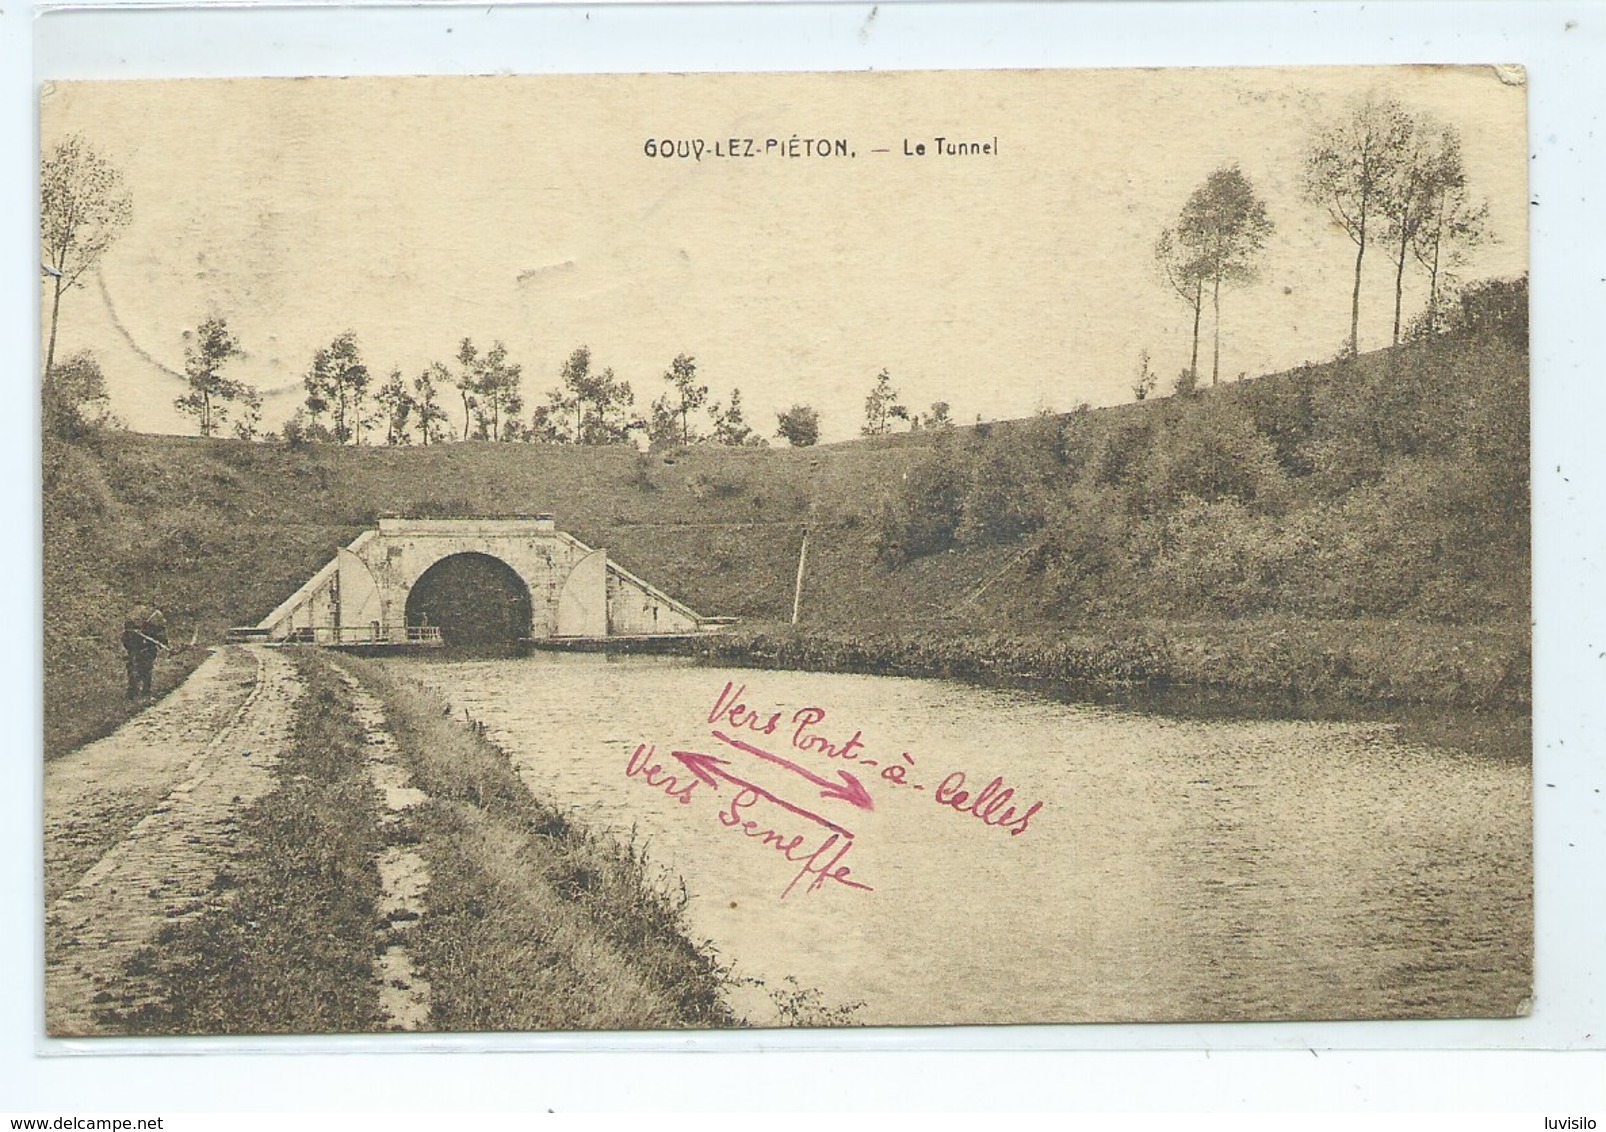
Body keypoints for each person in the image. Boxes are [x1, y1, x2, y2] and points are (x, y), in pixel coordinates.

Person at [122, 605, 168, 700]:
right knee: (141, 667)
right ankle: (139, 691)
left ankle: (139, 691)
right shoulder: (155, 616)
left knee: (137, 666)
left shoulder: (152, 616)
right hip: (139, 645)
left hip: (139, 645)